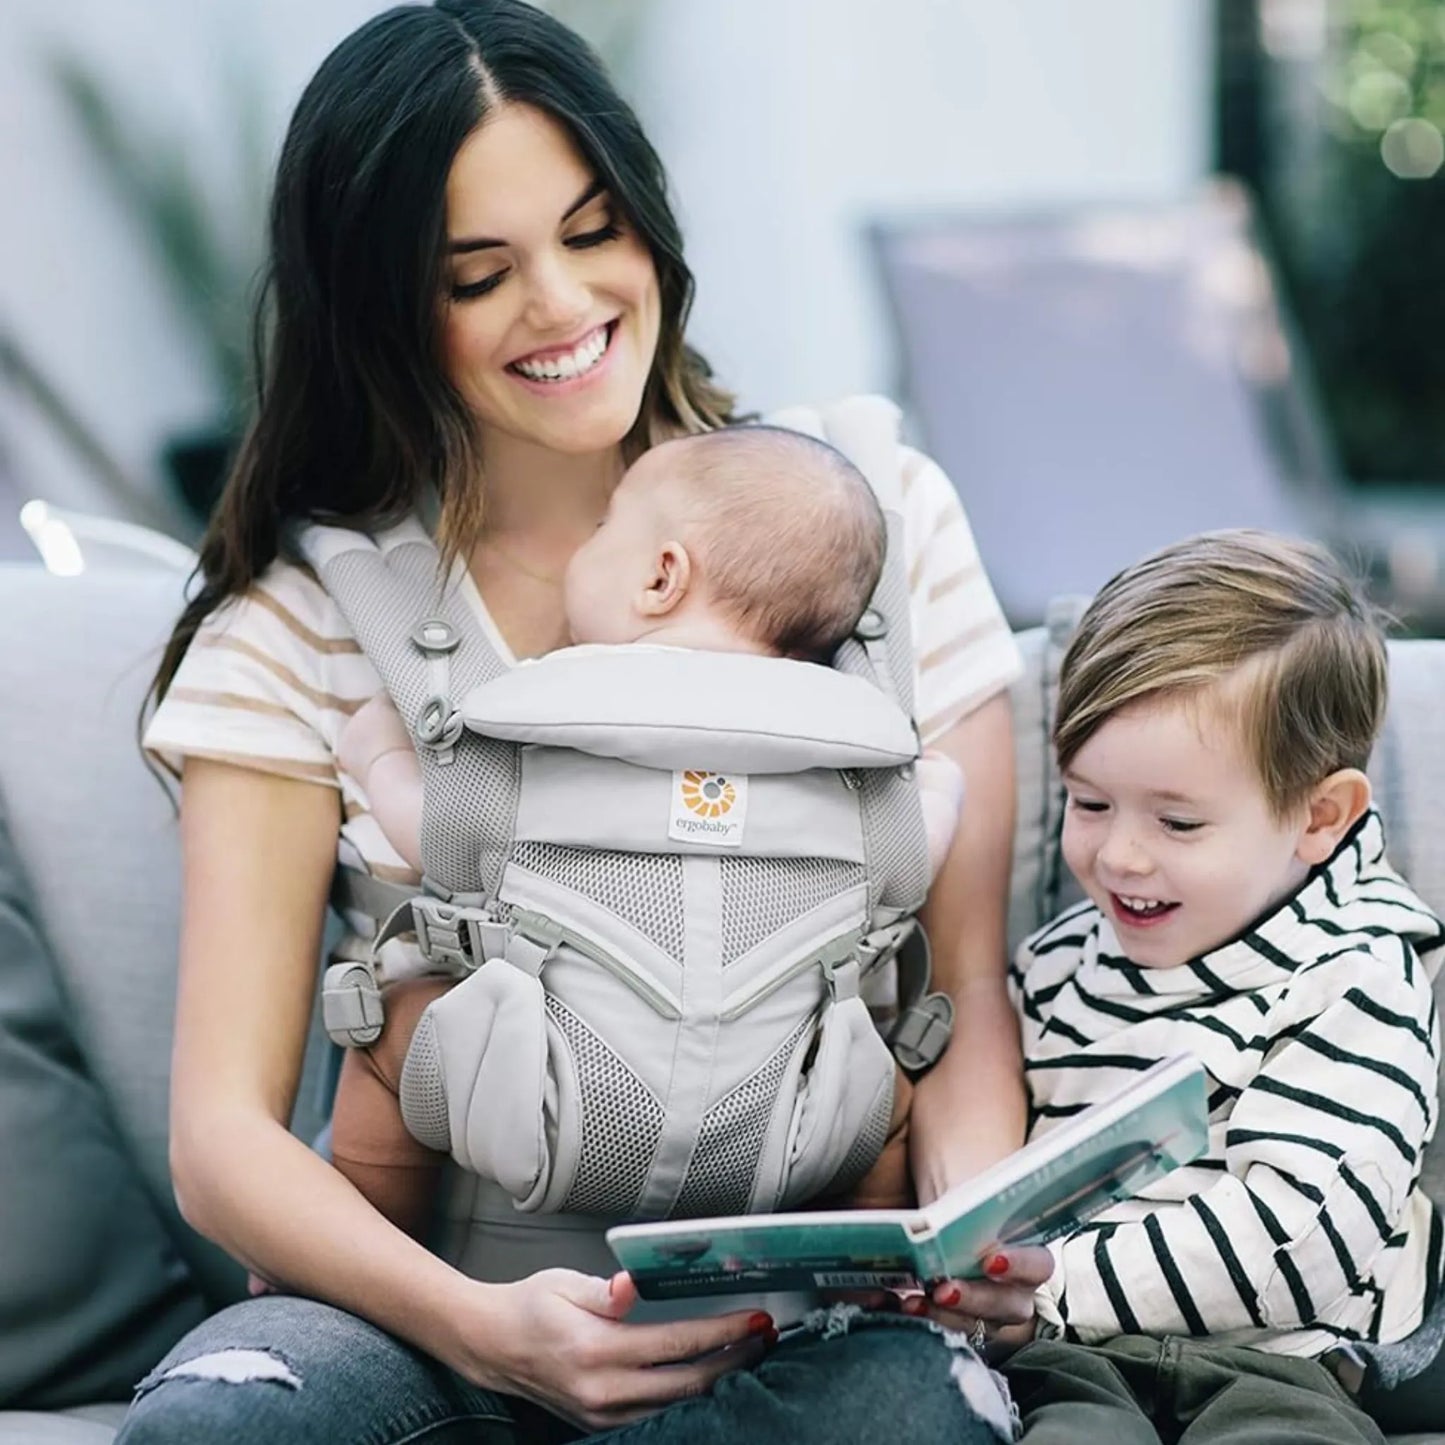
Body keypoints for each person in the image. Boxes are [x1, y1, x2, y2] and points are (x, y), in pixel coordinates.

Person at [121, 4, 1046, 1441]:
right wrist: (487, 1335)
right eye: (479, 275)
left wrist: (974, 1231)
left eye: (592, 230)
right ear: (379, 307)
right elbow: (222, 1138)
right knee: (230, 1427)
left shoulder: (868, 523)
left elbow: (962, 989)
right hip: (440, 1320)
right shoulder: (301, 625)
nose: (560, 304)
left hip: (792, 1327)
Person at [322, 424, 966, 1245]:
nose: (584, 547)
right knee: (891, 1094)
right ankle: (867, 1279)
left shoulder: (541, 717)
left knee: (387, 1025)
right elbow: (916, 848)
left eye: (604, 530)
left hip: (544, 1108)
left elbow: (439, 840)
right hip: (785, 1138)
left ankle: (372, 1247)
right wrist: (940, 778)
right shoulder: (855, 757)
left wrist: (375, 750)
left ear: (661, 576)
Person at [999, 530, 1445, 1445]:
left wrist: (1044, 1285)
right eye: (1088, 803)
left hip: (1284, 1358)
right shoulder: (1056, 966)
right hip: (1066, 1360)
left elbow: (1299, 1238)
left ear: (1318, 815)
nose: (1118, 853)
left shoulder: (1356, 971)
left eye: (1177, 819)